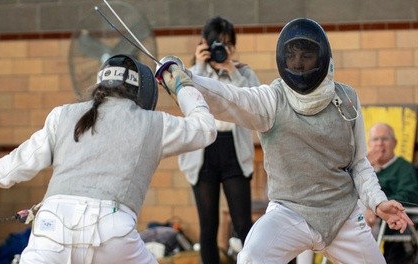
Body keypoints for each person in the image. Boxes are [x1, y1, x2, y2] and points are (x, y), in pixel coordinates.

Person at [158, 18, 414, 263]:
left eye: (306, 55)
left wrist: (377, 201)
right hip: (289, 211)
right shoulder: (273, 99)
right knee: (250, 257)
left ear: (323, 57)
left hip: (342, 216)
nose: (299, 63)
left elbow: (359, 163)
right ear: (282, 58)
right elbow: (228, 98)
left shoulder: (347, 98)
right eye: (291, 55)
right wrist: (185, 80)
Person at [0, 54, 217, 264]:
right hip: (112, 236)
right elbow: (205, 129)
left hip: (51, 232)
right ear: (140, 90)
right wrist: (182, 85)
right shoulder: (154, 123)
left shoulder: (62, 115)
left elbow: (16, 165)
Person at [178, 16, 259, 264]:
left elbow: (255, 104)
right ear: (205, 44)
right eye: (215, 44)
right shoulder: (192, 73)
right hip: (203, 152)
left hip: (235, 151)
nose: (220, 49)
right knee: (208, 226)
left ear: (233, 46)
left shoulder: (243, 73)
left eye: (226, 44)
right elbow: (187, 98)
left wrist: (232, 71)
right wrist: (200, 66)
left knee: (244, 224)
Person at [364, 122, 418, 264]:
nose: (380, 144)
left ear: (394, 143)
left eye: (385, 139)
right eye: (375, 139)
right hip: (363, 216)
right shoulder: (364, 169)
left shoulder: (403, 168)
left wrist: (377, 207)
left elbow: (409, 194)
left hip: (387, 220)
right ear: (369, 144)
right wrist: (365, 167)